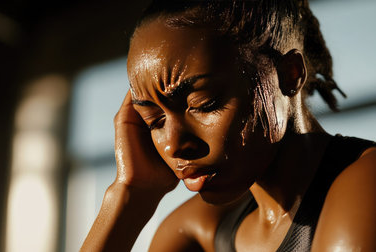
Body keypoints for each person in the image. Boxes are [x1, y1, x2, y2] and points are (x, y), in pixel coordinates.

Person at [81, 0, 376, 251]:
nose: (173, 145)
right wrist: (130, 198)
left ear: (290, 74)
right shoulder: (198, 229)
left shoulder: (365, 185)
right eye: (154, 121)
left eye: (203, 104)